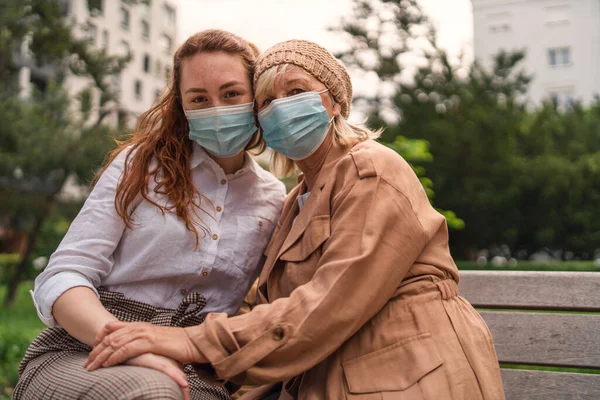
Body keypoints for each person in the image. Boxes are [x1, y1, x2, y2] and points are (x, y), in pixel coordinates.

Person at [86, 40, 506, 400]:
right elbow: (266, 306)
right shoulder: (293, 202)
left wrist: (189, 341)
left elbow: (331, 302)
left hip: (410, 375)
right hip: (332, 377)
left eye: (296, 91)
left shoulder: (371, 169)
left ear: (334, 102)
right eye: (267, 100)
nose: (281, 108)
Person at [13, 30, 286, 400]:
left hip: (195, 366)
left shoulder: (273, 197)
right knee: (156, 392)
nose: (217, 109)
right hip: (87, 346)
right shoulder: (141, 165)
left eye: (232, 94)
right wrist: (130, 343)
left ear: (258, 98)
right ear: (181, 106)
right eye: (199, 99)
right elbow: (63, 274)